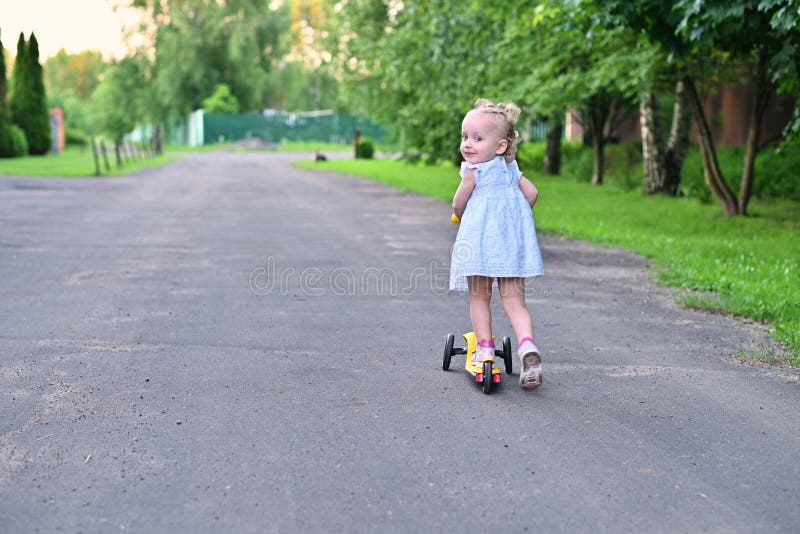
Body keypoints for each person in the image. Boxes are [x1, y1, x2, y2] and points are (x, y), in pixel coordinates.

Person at [450, 99, 545, 389]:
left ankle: (486, 349)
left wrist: (460, 215)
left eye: (477, 138)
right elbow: (532, 194)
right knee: (514, 302)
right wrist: (513, 222)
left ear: (501, 146)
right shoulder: (511, 170)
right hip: (511, 247)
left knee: (479, 297)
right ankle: (527, 346)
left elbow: (458, 203)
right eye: (465, 137)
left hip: (480, 247)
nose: (468, 144)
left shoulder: (472, 172)